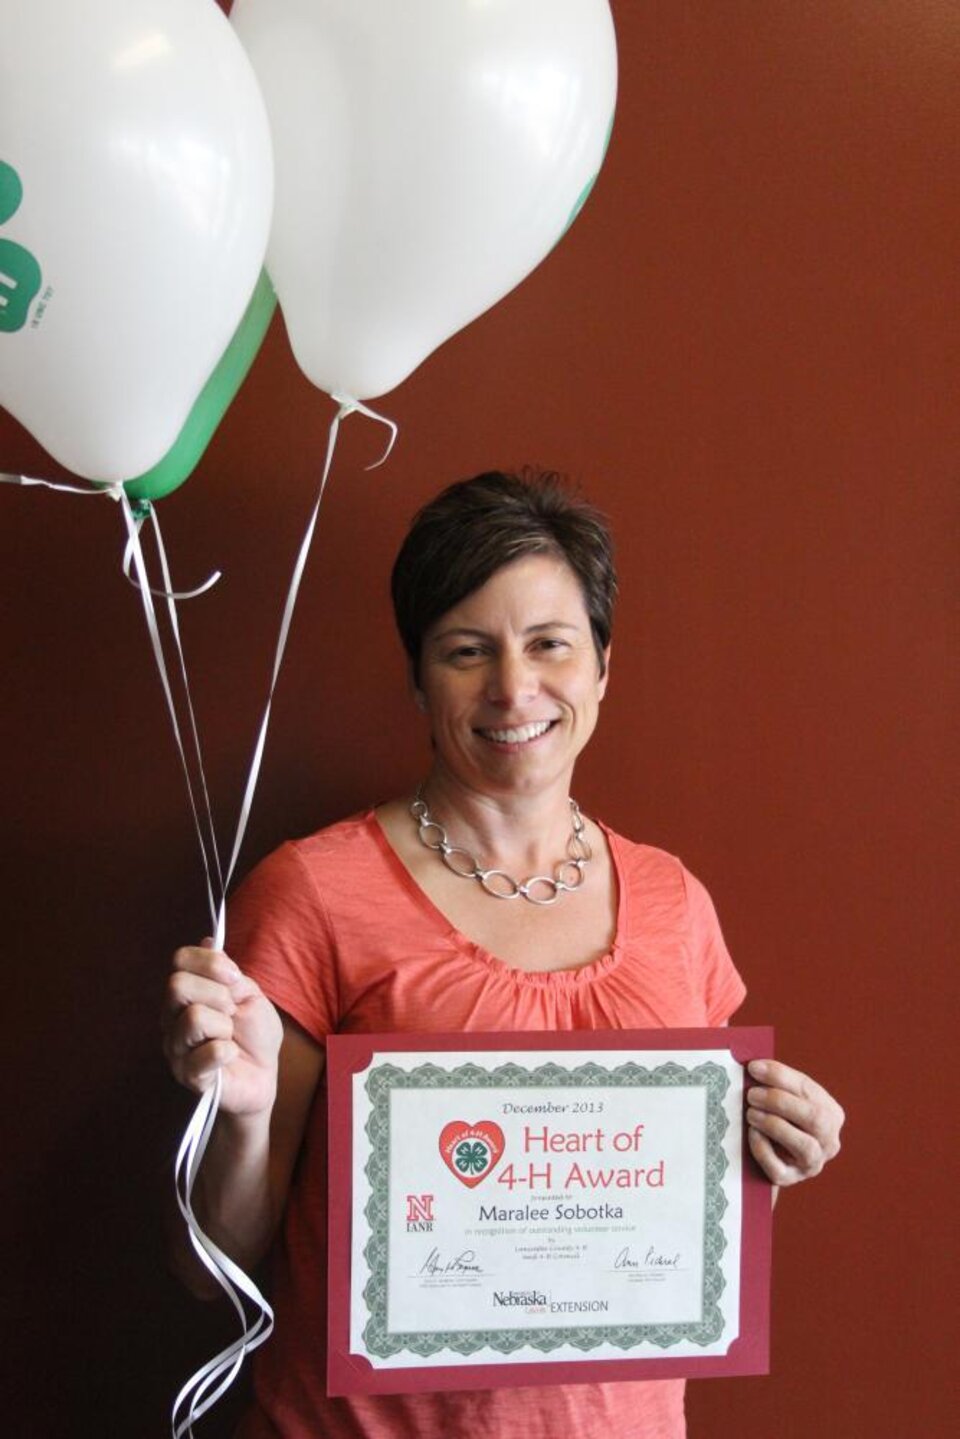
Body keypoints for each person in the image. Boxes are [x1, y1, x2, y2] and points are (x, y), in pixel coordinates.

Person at [163, 470, 844, 1439]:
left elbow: (683, 1211)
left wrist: (784, 1139)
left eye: (550, 644)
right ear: (416, 675)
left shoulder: (674, 902)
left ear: (603, 665)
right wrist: (240, 1119)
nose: (513, 689)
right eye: (466, 650)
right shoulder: (311, 891)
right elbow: (211, 1267)